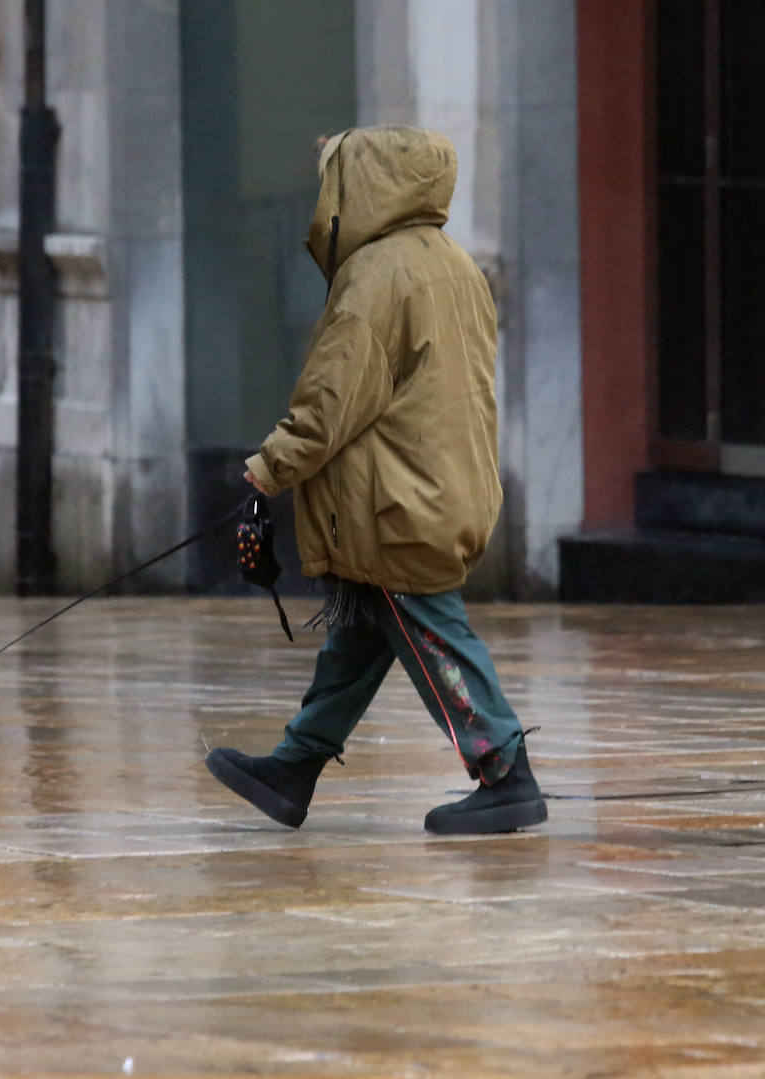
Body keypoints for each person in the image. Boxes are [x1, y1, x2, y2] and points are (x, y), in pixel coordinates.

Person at [205, 126, 546, 835]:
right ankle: (295, 766)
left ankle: (505, 771)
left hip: (396, 503)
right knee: (359, 634)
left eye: (331, 181)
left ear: (362, 188)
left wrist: (269, 466)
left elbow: (332, 398)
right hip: (436, 488)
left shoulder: (375, 276)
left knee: (431, 632)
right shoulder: (453, 262)